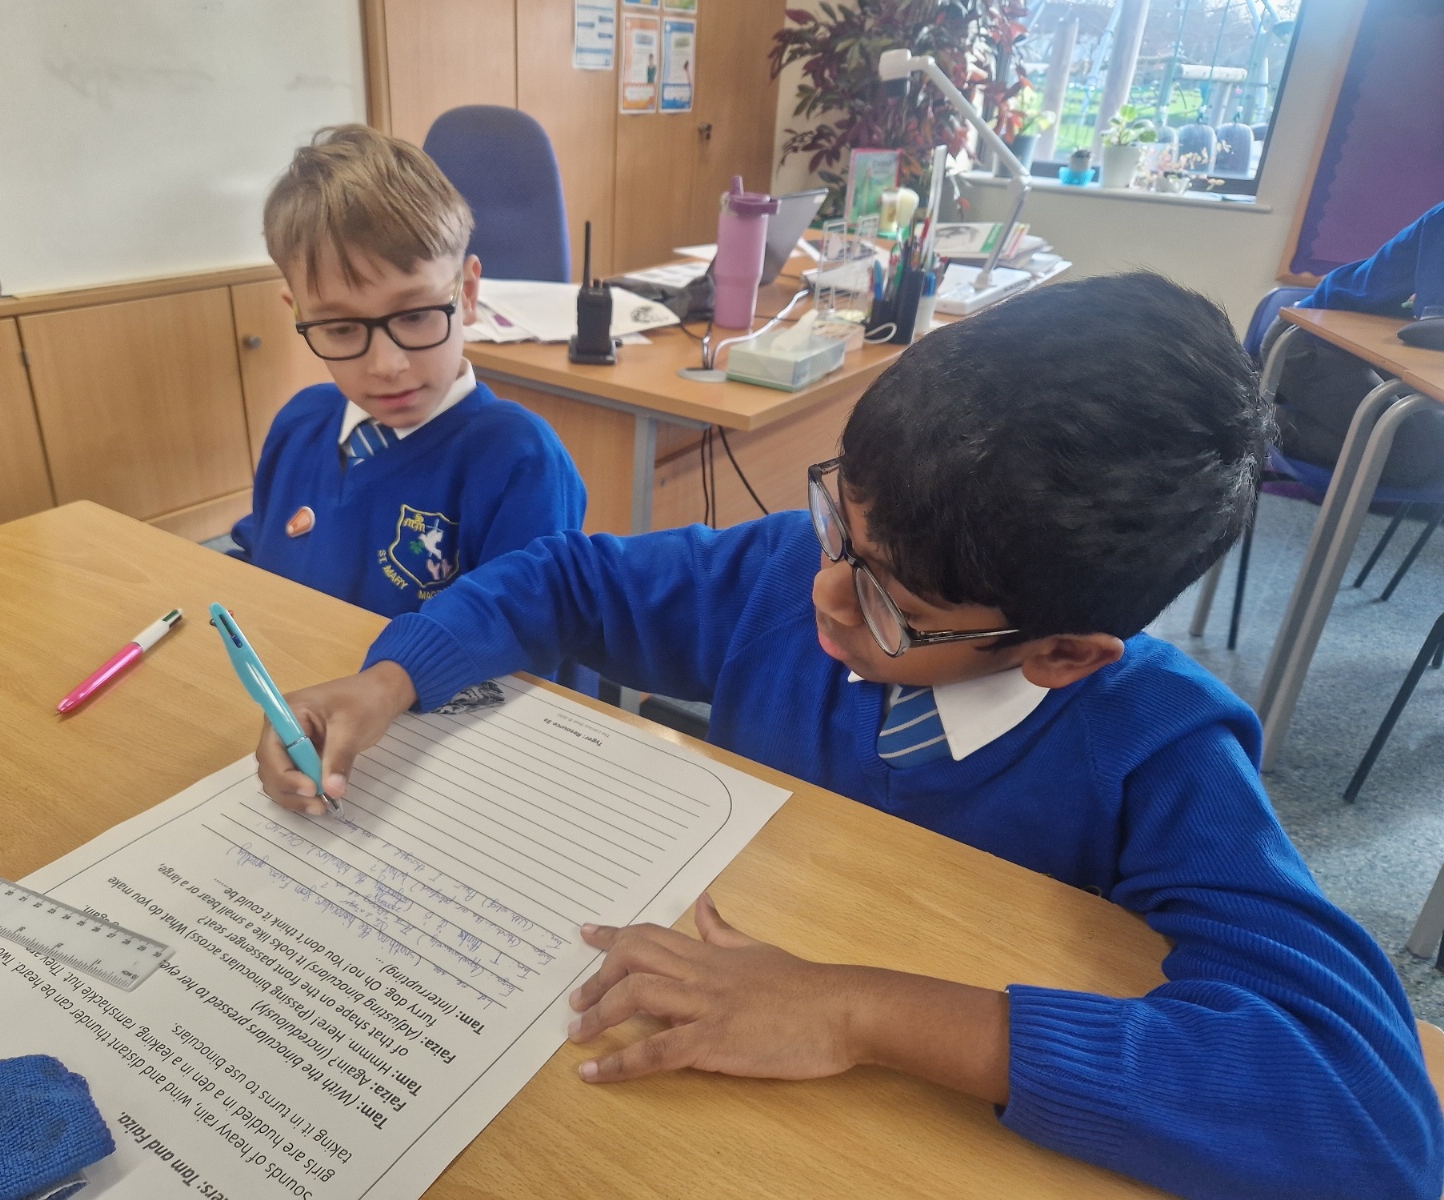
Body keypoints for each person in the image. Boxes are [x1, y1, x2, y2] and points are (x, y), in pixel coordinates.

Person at [254, 273, 1444, 1199]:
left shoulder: (1158, 746)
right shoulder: (794, 569)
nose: (824, 596)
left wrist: (858, 1009)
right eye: (838, 524)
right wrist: (392, 679)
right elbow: (566, 580)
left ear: (1063, 653)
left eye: (895, 607)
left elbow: (1372, 1122)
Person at [229, 125, 587, 618]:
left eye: (416, 316)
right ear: (298, 313)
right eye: (340, 328)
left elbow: (529, 640)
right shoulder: (298, 425)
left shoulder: (520, 462)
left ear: (467, 294)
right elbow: (256, 563)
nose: (387, 366)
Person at [1270, 198, 1444, 487]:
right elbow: (1434, 328)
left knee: (1435, 446)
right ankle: (1269, 422)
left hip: (1370, 357)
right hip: (1306, 343)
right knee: (1410, 460)